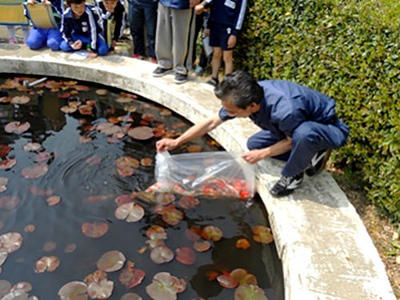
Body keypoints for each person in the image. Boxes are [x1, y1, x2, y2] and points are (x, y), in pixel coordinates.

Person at [156, 71, 349, 197]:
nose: (229, 115)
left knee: (303, 135)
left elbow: (291, 140)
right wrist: (177, 141)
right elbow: (211, 123)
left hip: (327, 128)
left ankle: (293, 176)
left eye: (233, 112)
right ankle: (312, 155)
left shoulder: (285, 109)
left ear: (253, 106)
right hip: (294, 128)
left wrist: (263, 155)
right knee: (254, 144)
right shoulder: (246, 95)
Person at [195, 0, 247, 86]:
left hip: (228, 29)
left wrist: (234, 33)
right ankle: (214, 78)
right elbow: (211, 5)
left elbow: (240, 15)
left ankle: (227, 84)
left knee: (227, 57)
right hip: (215, 27)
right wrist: (209, 26)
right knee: (216, 54)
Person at [152, 0, 199, 84]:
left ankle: (181, 68)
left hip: (183, 3)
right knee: (162, 33)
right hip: (164, 2)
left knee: (182, 37)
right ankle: (165, 63)